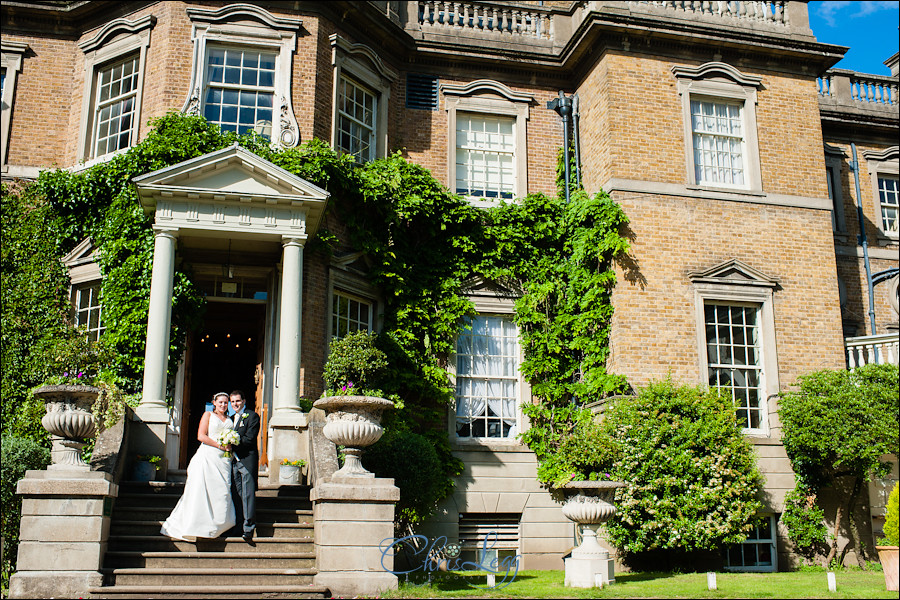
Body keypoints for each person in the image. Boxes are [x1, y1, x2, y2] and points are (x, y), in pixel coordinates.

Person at [160, 392, 236, 541]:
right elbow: (201, 436)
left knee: (221, 490)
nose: (223, 405)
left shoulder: (229, 419)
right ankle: (197, 524)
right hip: (208, 456)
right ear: (214, 402)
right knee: (201, 489)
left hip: (224, 460)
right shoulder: (208, 415)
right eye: (220, 402)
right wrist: (219, 446)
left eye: (226, 403)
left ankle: (219, 525)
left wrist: (229, 445)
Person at [229, 390, 260, 542]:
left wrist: (232, 443)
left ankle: (249, 528)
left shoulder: (252, 416)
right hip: (233, 462)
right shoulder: (229, 419)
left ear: (244, 401)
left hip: (246, 460)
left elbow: (249, 439)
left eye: (238, 401)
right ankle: (238, 526)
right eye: (233, 401)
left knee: (247, 495)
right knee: (236, 495)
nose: (235, 404)